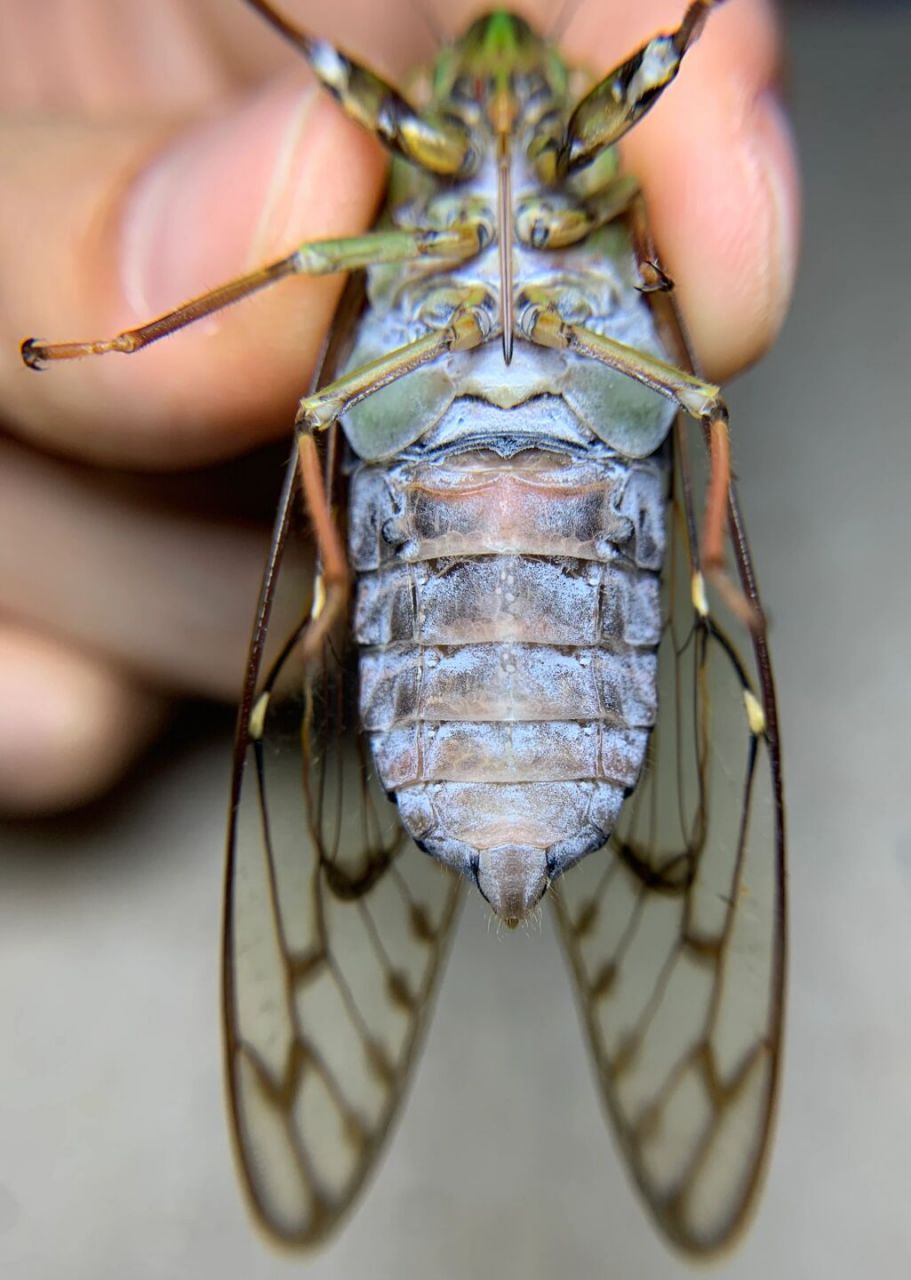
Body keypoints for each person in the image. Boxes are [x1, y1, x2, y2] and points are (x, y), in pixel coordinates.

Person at [0, 0, 798, 812]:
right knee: (319, 362)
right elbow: (307, 256)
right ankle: (341, 589)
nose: (501, 98)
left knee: (694, 400)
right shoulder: (423, 169)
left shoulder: (612, 184)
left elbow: (639, 223)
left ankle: (701, 573)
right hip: (452, 395)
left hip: (568, 390)